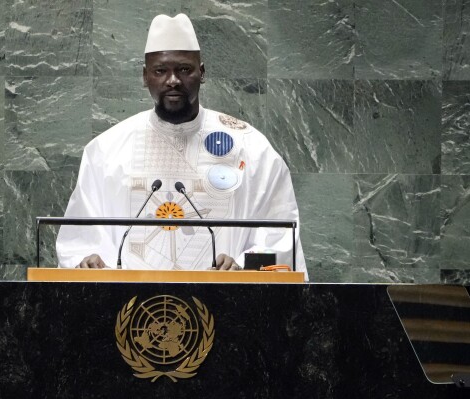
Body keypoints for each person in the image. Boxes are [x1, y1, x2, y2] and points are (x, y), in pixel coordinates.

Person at [56, 13, 307, 278]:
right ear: (145, 76)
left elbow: (280, 238)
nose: (172, 80)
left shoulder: (249, 147)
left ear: (202, 72)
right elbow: (80, 240)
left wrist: (242, 266)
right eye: (160, 70)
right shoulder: (107, 151)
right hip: (131, 313)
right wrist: (91, 262)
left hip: (228, 305)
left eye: (184, 70)